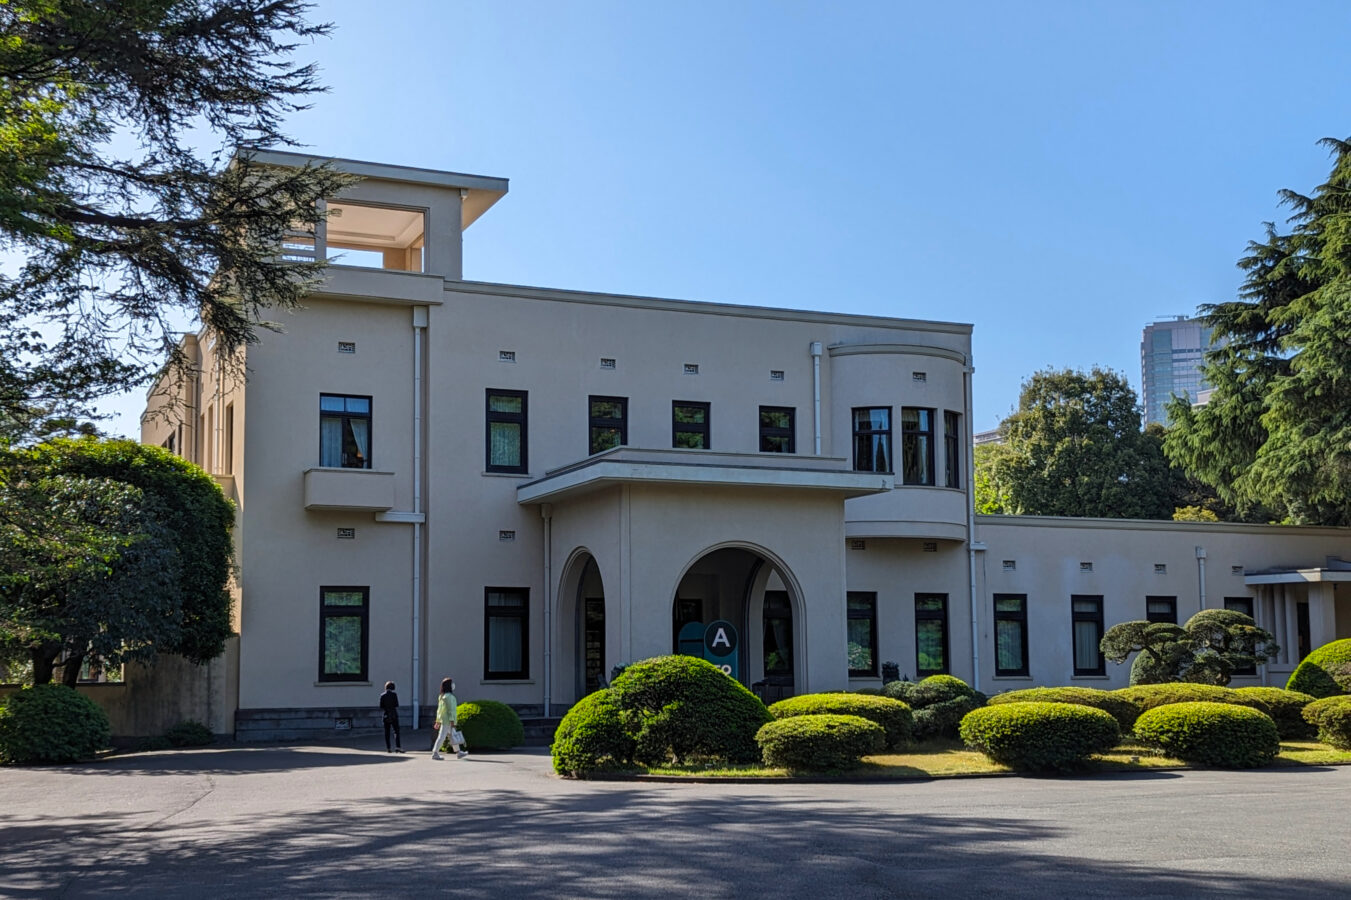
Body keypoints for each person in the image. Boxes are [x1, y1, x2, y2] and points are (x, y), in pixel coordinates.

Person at [431, 676, 468, 760]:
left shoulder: (442, 696)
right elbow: (450, 710)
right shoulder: (449, 697)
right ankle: (435, 753)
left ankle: (458, 752)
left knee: (452, 735)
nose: (453, 685)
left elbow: (439, 710)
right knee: (442, 736)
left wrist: (437, 721)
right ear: (449, 685)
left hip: (444, 720)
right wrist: (452, 721)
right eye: (451, 683)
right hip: (448, 721)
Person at [379, 681, 404, 753]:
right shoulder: (394, 695)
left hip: (386, 715)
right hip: (393, 715)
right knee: (396, 731)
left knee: (387, 732)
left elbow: (381, 706)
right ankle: (398, 747)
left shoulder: (382, 695)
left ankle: (388, 748)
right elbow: (396, 704)